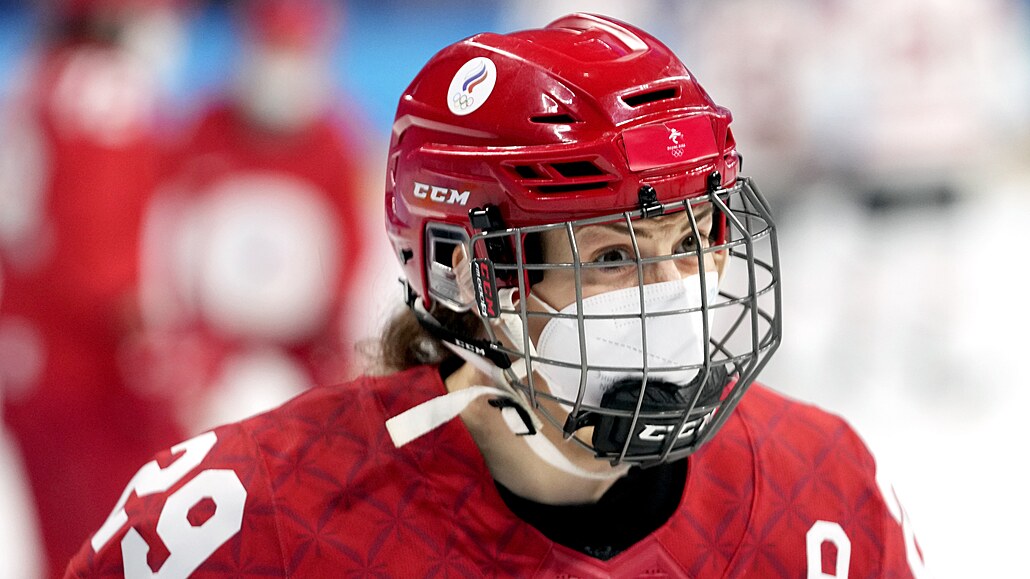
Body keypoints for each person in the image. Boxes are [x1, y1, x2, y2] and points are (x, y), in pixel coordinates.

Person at [66, 13, 926, 577]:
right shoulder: (248, 519)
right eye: (612, 256)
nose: (676, 293)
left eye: (694, 239)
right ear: (464, 276)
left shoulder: (824, 489)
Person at [0, 1, 187, 574]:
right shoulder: (105, 90)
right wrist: (147, 338)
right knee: (116, 545)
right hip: (85, 361)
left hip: (27, 344)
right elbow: (99, 261)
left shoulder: (37, 75)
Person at [134, 0, 371, 433]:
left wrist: (335, 345)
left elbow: (354, 250)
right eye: (271, 47)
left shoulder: (337, 145)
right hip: (206, 345)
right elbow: (158, 236)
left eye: (294, 50)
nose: (281, 67)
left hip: (304, 348)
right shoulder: (202, 130)